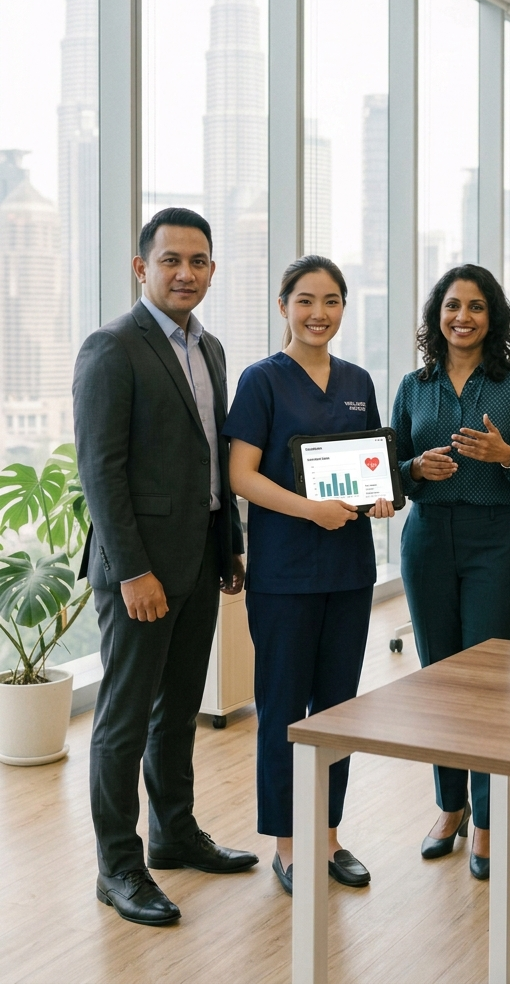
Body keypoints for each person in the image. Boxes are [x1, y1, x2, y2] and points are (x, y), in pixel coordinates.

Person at [73, 208, 257, 928]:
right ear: (140, 266)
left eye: (200, 261)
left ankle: (174, 834)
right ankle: (118, 866)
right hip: (140, 572)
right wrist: (132, 571)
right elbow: (101, 474)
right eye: (172, 259)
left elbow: (213, 458)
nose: (186, 272)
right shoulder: (112, 347)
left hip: (199, 560)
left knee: (176, 709)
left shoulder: (208, 349)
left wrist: (228, 546)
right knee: (122, 719)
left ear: (212, 269)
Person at [225, 256, 393, 896]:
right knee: (282, 709)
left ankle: (328, 834)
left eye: (330, 301)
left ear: (344, 308)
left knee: (338, 708)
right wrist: (308, 510)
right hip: (285, 572)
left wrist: (378, 496)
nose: (318, 313)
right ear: (283, 306)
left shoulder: (356, 380)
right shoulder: (262, 380)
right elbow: (243, 475)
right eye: (304, 300)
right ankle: (289, 843)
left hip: (348, 570)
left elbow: (371, 464)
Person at [392, 264, 510, 881]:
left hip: (493, 540)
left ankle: (486, 820)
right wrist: (414, 470)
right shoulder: (414, 384)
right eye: (453, 305)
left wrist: (505, 455)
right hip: (427, 538)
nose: (463, 317)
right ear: (438, 314)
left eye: (477, 307)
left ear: (494, 318)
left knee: (488, 685)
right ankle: (449, 807)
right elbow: (391, 470)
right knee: (438, 678)